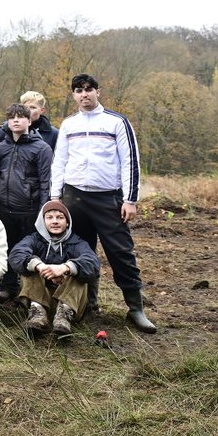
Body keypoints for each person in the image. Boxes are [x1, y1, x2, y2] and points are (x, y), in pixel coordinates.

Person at [50, 73, 156, 333]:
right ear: (73, 95)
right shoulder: (69, 124)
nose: (84, 94)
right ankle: (88, 304)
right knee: (80, 251)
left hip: (108, 197)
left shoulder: (116, 122)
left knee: (121, 251)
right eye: (78, 90)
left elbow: (130, 160)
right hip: (74, 196)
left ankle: (135, 309)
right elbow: (59, 161)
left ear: (98, 91)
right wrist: (55, 197)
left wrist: (130, 199)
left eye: (88, 89)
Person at [0, 103, 53, 299]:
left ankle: (30, 292)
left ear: (29, 120)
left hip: (29, 209)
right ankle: (9, 286)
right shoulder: (0, 147)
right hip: (3, 209)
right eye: (12, 118)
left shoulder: (41, 148)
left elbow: (46, 182)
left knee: (28, 250)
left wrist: (43, 211)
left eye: (20, 117)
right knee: (6, 247)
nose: (16, 121)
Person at [9, 200, 101, 335]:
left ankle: (64, 316)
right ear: (42, 221)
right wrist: (40, 266)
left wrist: (66, 268)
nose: (55, 221)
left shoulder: (77, 242)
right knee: (30, 265)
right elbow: (16, 254)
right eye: (49, 217)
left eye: (60, 217)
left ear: (67, 222)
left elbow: (93, 263)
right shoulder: (34, 239)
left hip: (71, 305)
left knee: (79, 270)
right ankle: (37, 314)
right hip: (39, 299)